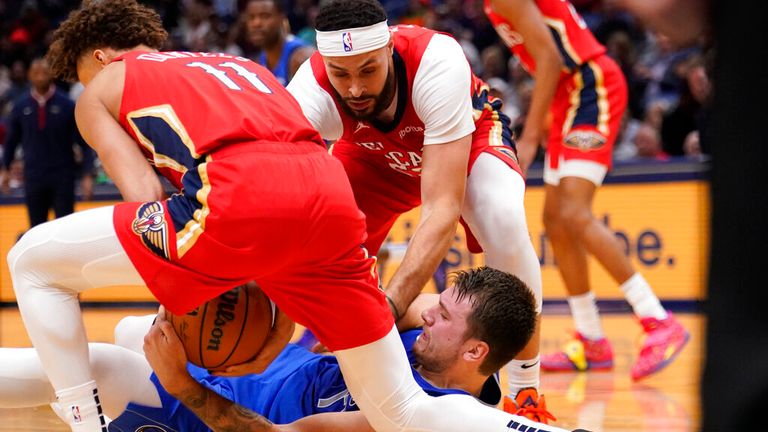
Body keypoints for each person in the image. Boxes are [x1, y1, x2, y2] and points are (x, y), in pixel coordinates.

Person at [6, 1, 573, 431]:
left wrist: (180, 292)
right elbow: (286, 216)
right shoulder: (232, 65)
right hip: (327, 194)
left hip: (245, 194)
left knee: (31, 261)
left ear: (102, 57)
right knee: (402, 408)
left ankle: (83, 425)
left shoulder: (102, 85)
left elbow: (144, 199)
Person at [285, 0, 550, 421]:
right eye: (341, 74)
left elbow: (441, 208)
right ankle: (324, 360)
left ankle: (525, 392)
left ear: (389, 48)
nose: (354, 89)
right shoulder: (306, 92)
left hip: (466, 142)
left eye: (368, 70)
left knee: (502, 218)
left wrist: (387, 310)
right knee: (305, 236)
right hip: (372, 155)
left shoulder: (436, 60)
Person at [0, 268, 581, 432]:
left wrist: (181, 384)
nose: (429, 311)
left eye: (445, 314)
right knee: (132, 327)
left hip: (229, 407)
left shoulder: (417, 417)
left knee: (97, 367)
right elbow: (379, 291)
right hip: (275, 364)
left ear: (476, 352)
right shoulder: (440, 344)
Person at [484, 0, 689, 381]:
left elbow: (549, 59)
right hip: (567, 96)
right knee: (556, 221)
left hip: (590, 86)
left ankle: (658, 319)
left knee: (575, 213)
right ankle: (592, 338)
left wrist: (529, 138)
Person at [1, 57, 94, 229]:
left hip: (63, 175)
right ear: (30, 75)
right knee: (36, 228)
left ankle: (66, 257)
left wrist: (87, 175)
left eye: (44, 72)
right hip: (33, 175)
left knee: (65, 227)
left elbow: (83, 141)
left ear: (52, 74)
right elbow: (11, 141)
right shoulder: (21, 106)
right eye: (36, 73)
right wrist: (5, 170)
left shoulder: (67, 104)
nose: (40, 77)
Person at [243, 0, 315, 85]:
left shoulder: (301, 58)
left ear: (282, 18)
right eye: (251, 17)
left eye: (265, 16)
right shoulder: (258, 62)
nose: (256, 23)